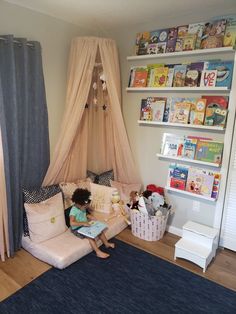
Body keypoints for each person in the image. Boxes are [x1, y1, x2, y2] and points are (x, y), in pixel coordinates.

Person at [70, 188, 115, 259]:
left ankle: (106, 243)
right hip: (77, 228)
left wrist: (89, 216)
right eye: (84, 206)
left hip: (85, 224)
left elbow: (83, 214)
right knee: (90, 236)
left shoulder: (82, 207)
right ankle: (98, 252)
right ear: (78, 204)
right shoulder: (73, 210)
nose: (85, 207)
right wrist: (83, 223)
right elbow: (72, 223)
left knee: (99, 230)